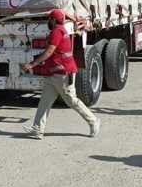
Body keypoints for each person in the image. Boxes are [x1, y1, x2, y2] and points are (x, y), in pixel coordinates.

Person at [22, 9, 101, 140]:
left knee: (71, 101)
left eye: (49, 19)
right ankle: (37, 129)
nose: (48, 22)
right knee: (45, 102)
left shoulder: (57, 31)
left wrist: (31, 64)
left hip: (63, 74)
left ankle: (93, 121)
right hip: (53, 73)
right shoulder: (58, 30)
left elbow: (49, 52)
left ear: (53, 20)